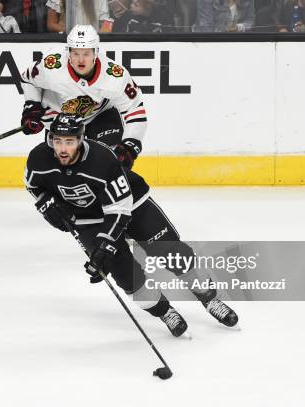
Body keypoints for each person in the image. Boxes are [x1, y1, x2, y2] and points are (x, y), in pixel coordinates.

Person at [20, 25, 239, 332]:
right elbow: (28, 79)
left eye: (87, 53)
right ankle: (163, 311)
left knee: (107, 167)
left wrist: (131, 145)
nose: (81, 59)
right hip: (67, 122)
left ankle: (208, 295)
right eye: (76, 53)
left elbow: (135, 112)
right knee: (126, 274)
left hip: (103, 122)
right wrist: (32, 107)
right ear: (67, 52)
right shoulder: (52, 68)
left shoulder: (114, 75)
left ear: (98, 53)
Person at [45, 0, 109, 32]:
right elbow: (51, 24)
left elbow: (106, 24)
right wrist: (73, 32)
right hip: (66, 43)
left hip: (92, 44)